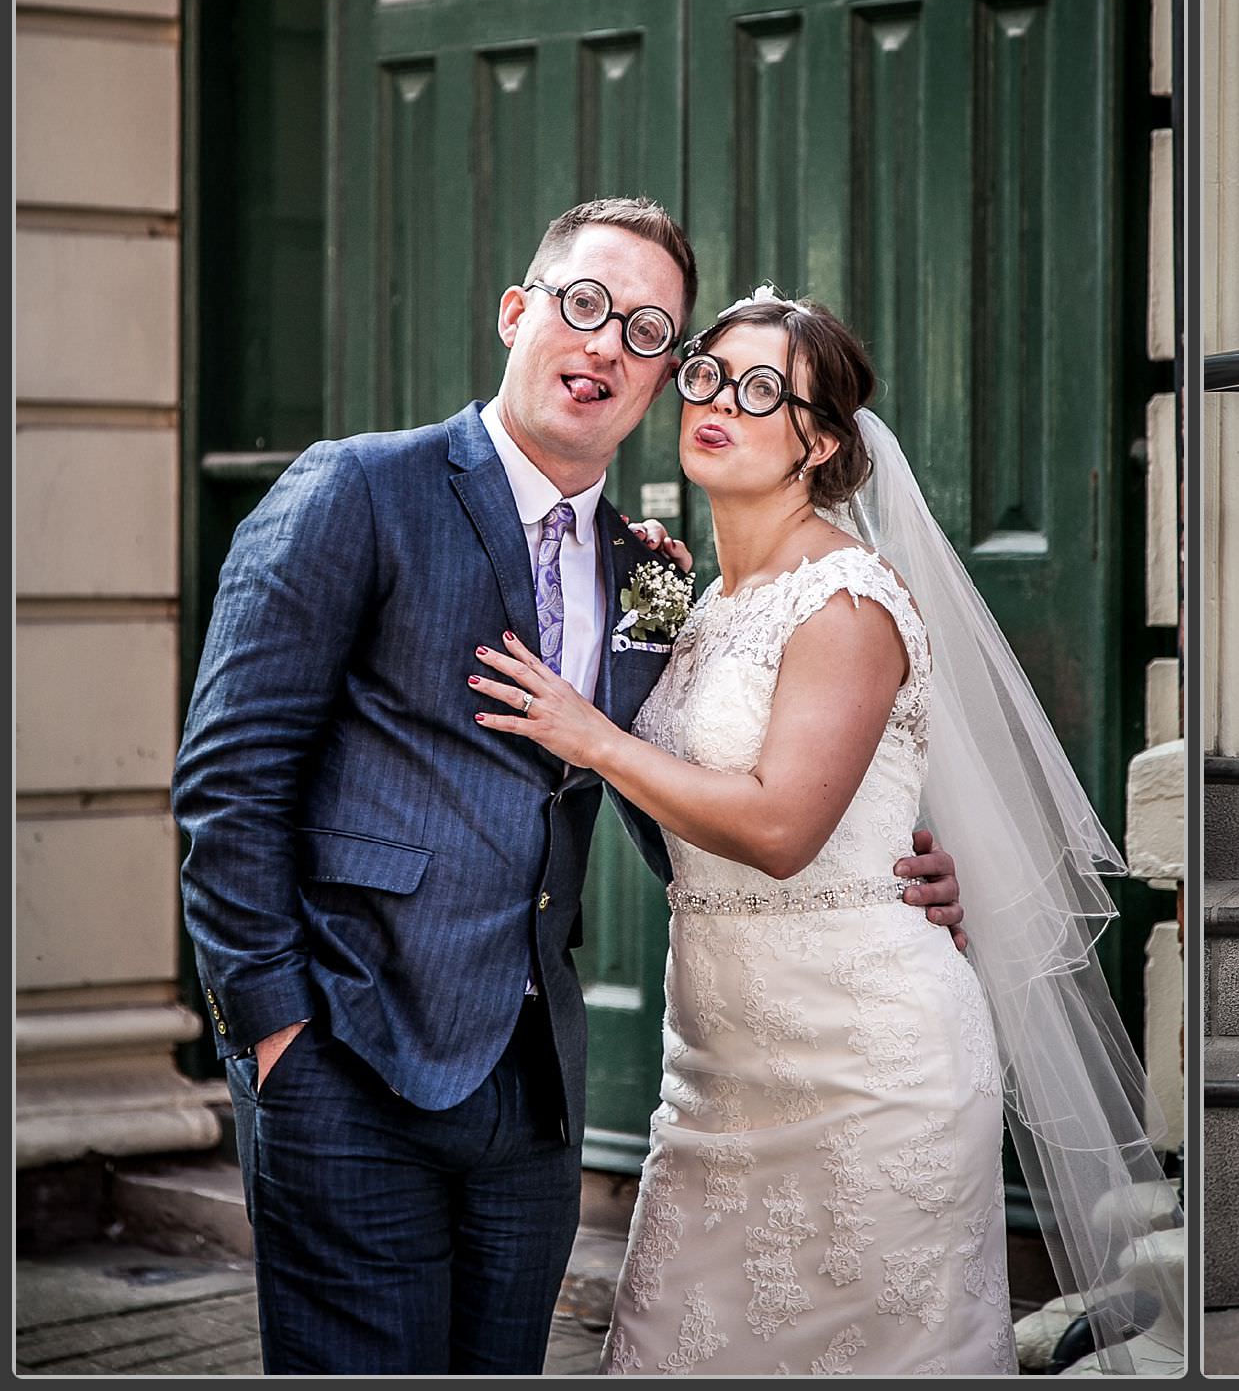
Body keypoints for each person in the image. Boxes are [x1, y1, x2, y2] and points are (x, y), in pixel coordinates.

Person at [171, 201, 965, 1374]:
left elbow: (677, 779)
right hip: (349, 1060)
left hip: (536, 1099)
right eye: (582, 306)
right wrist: (274, 1030)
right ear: (518, 314)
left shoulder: (648, 574)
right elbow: (230, 781)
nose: (604, 343)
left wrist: (882, 858)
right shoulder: (356, 490)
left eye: (645, 330)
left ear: (656, 375)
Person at [467, 287, 1182, 1375]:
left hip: (869, 1065)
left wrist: (589, 739)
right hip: (715, 1065)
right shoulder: (693, 597)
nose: (719, 400)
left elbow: (782, 826)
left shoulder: (848, 603)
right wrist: (644, 603)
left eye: (765, 391)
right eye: (706, 374)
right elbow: (637, 721)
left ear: (824, 441)